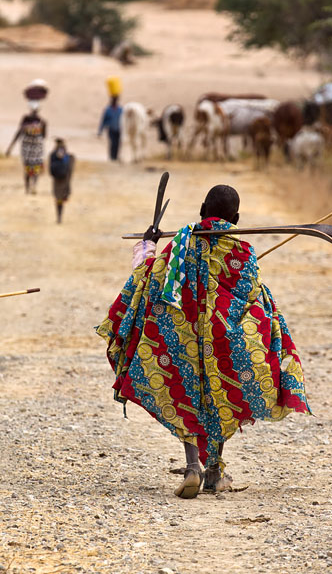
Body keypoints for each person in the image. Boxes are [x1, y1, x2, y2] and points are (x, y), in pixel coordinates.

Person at [96, 185, 311, 498]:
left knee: (185, 393)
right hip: (224, 338)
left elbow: (146, 275)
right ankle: (214, 471)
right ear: (236, 217)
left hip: (181, 336)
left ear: (201, 209)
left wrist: (148, 244)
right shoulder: (242, 251)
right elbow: (252, 294)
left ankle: (193, 467)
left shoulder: (179, 247)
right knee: (220, 392)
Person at [6, 102, 47, 194]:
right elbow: (44, 136)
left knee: (28, 167)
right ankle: (33, 186)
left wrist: (10, 147)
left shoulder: (25, 120)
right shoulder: (42, 121)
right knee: (34, 167)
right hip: (36, 147)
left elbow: (18, 133)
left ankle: (28, 188)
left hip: (27, 147)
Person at [49, 138, 74, 224]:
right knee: (61, 200)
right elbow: (70, 170)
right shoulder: (67, 156)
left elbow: (50, 171)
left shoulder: (53, 155)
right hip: (64, 181)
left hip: (57, 182)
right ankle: (59, 217)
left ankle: (59, 217)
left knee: (58, 199)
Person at [97, 95, 123, 162]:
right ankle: (112, 157)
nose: (114, 101)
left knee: (118, 143)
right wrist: (100, 131)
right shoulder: (108, 110)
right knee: (112, 143)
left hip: (119, 130)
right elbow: (103, 121)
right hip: (111, 130)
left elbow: (124, 120)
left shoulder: (120, 110)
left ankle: (116, 157)